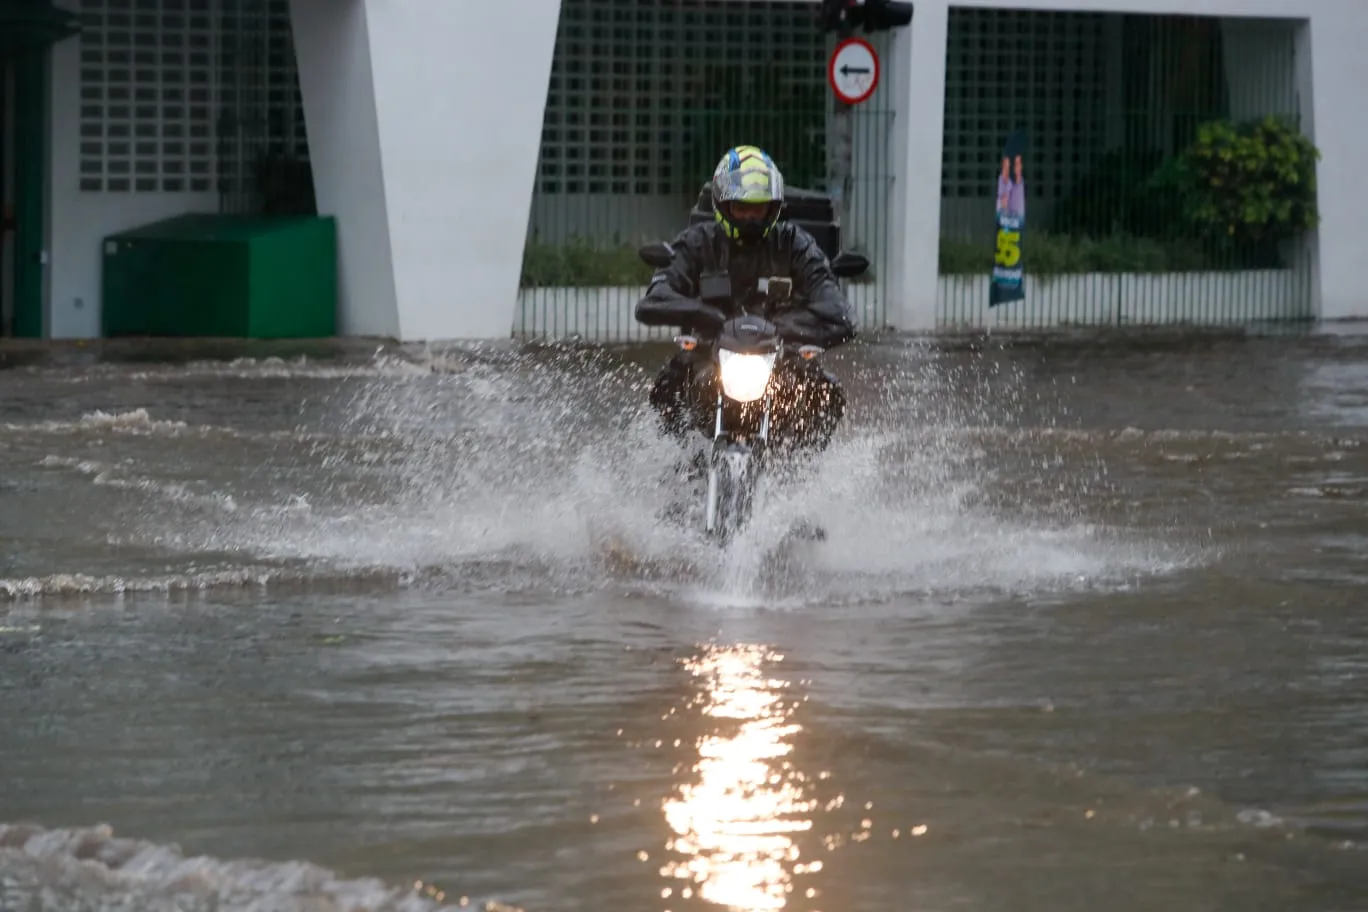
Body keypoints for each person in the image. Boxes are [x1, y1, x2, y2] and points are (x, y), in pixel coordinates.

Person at [634, 145, 857, 466]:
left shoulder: (794, 244)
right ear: (723, 205)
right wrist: (704, 314)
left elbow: (836, 307)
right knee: (669, 386)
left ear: (774, 208)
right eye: (742, 208)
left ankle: (804, 477)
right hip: (711, 356)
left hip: (780, 358)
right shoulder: (698, 242)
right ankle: (675, 470)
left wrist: (786, 327)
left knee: (824, 392)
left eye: (759, 209)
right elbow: (655, 298)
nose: (751, 217)